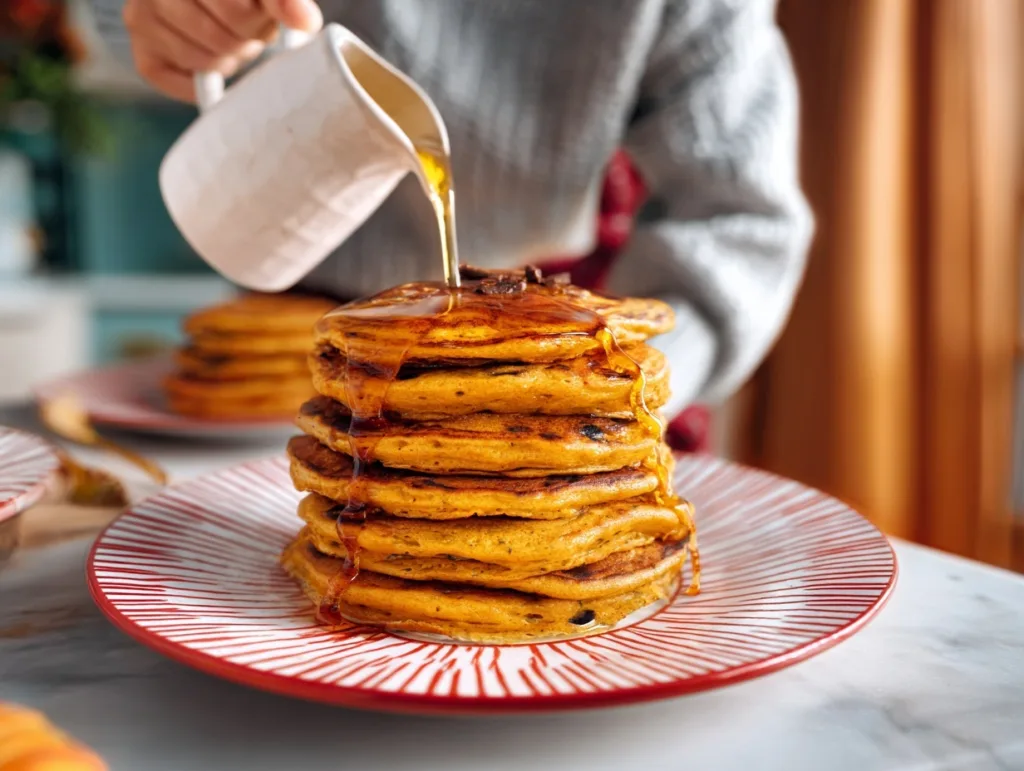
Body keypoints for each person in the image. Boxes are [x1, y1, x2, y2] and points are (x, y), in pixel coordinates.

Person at [90, 0, 812, 449]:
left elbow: (734, 218)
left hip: (564, 350)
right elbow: (109, 28)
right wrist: (167, 22)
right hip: (306, 344)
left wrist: (609, 396)